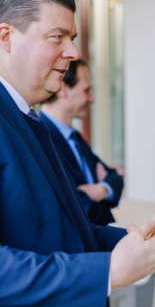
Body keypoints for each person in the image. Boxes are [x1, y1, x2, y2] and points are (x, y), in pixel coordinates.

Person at [0, 0, 155, 307]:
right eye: (58, 37)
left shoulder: (28, 118)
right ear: (6, 37)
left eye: (72, 38)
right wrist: (107, 272)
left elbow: (58, 228)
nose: (73, 52)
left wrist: (133, 243)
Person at [39, 59, 123, 226]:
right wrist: (102, 203)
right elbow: (72, 208)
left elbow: (116, 178)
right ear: (63, 88)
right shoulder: (40, 138)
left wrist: (100, 189)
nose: (92, 99)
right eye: (86, 90)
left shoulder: (75, 136)